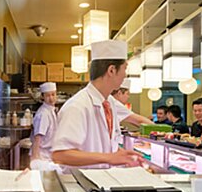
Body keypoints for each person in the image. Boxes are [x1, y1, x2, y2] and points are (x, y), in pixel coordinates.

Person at [51, 40, 143, 168]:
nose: (125, 75)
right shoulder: (77, 106)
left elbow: (106, 145)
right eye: (124, 68)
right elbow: (60, 155)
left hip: (101, 177)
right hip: (79, 179)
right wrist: (109, 158)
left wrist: (123, 156)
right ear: (111, 70)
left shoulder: (109, 102)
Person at [30, 82, 58, 164]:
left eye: (53, 94)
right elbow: (38, 137)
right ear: (43, 97)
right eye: (48, 95)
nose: (51, 98)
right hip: (41, 156)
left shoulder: (51, 110)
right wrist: (35, 158)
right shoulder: (43, 114)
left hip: (49, 154)